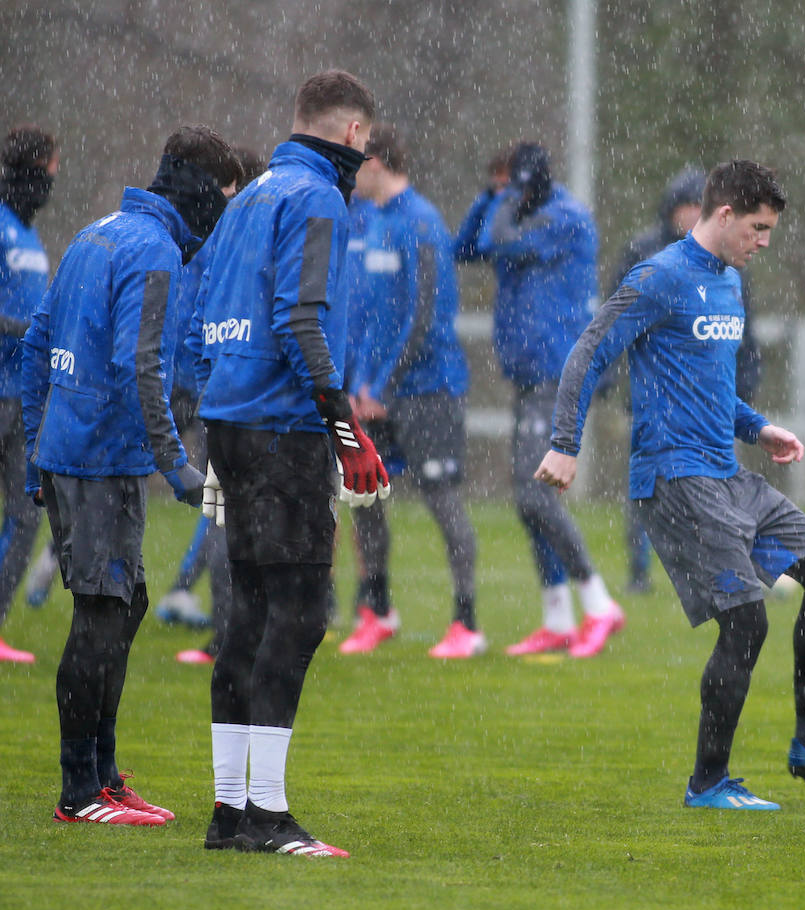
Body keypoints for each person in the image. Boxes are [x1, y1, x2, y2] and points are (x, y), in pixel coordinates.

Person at [535, 160, 805, 810]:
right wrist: (565, 444)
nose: (764, 241)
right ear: (724, 216)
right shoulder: (659, 277)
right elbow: (588, 349)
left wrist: (758, 425)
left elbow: (711, 386)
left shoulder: (730, 283)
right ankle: (707, 784)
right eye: (759, 228)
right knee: (745, 622)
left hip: (727, 472)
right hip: (675, 477)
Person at [191, 69, 387, 857]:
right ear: (352, 136)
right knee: (298, 615)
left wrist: (216, 409)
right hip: (282, 426)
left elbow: (205, 310)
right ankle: (267, 816)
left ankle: (229, 813)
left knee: (247, 615)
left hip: (233, 421)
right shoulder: (318, 197)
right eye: (365, 145)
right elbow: (300, 312)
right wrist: (338, 415)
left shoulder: (250, 195)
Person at [23, 125, 240, 826]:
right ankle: (78, 791)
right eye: (224, 203)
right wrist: (174, 462)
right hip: (98, 461)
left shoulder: (96, 233)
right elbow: (138, 365)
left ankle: (105, 776)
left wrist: (36, 446)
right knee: (100, 615)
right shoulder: (156, 251)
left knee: (125, 607)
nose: (221, 222)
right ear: (203, 193)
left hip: (76, 456)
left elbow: (35, 343)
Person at [457, 141, 622, 658]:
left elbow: (499, 242)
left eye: (513, 185)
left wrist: (505, 200)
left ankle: (598, 605)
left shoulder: (564, 218)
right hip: (530, 374)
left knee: (534, 494)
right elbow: (464, 248)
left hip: (559, 373)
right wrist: (490, 193)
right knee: (527, 499)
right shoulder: (515, 209)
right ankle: (557, 618)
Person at [341, 123, 482, 659]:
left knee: (442, 500)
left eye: (356, 167)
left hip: (428, 390)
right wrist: (357, 384)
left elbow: (420, 317)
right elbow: (361, 313)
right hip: (371, 392)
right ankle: (378, 610)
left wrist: (385, 384)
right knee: (365, 495)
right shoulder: (369, 223)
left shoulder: (421, 223)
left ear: (375, 163)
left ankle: (466, 623)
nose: (351, 179)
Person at [612, 166, 763, 592]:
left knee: (720, 485)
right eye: (686, 208)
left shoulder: (728, 263)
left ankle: (724, 568)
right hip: (655, 398)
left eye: (700, 208)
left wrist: (746, 384)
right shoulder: (644, 255)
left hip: (713, 401)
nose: (691, 216)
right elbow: (612, 323)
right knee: (648, 486)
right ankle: (639, 571)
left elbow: (743, 333)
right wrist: (609, 382)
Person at [165, 146, 267, 665]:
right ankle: (238, 633)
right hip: (218, 394)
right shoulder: (229, 238)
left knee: (228, 514)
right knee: (227, 512)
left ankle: (233, 638)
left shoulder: (233, 239)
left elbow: (201, 317)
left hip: (230, 401)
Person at [0, 124, 58, 663]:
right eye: (49, 167)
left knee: (26, 511)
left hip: (24, 395)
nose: (54, 178)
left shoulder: (29, 234)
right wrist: (28, 329)